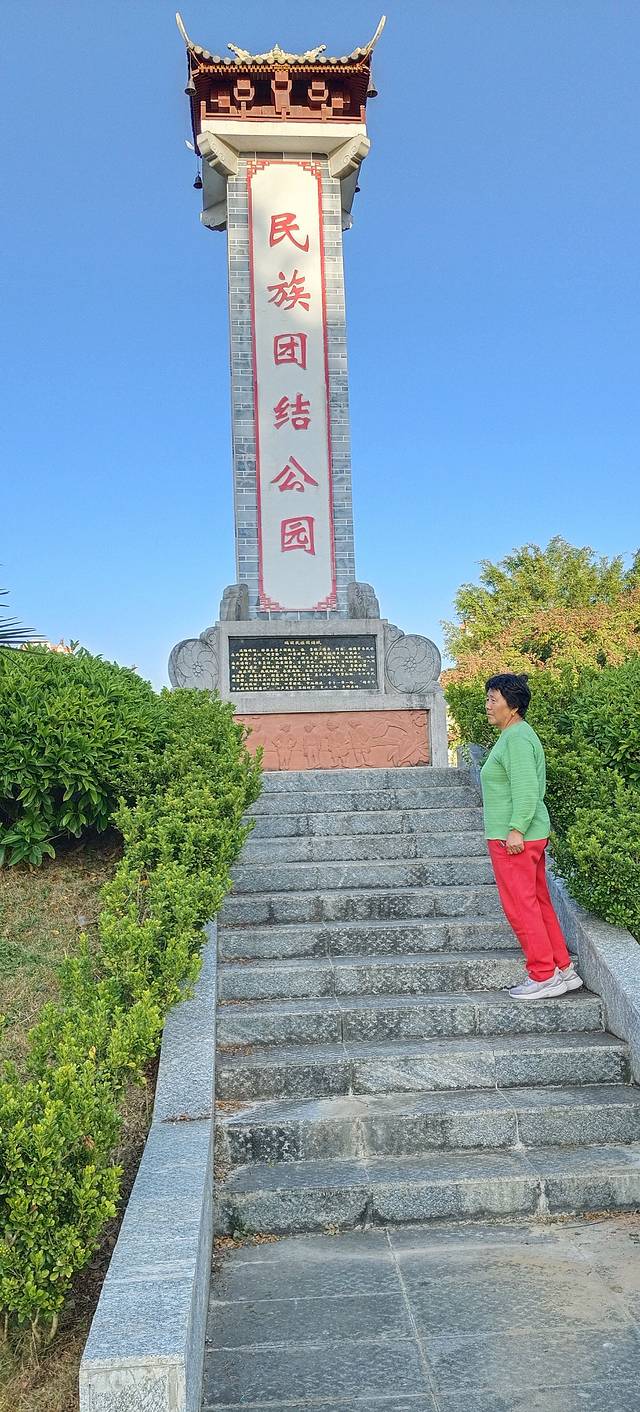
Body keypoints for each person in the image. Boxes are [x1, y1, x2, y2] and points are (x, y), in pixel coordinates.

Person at [480, 673, 583, 1000]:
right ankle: (562, 969)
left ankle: (543, 975)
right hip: (524, 835)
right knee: (536, 902)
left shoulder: (516, 738)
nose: (488, 705)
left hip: (514, 839)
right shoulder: (516, 735)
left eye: (493, 699)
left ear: (512, 706)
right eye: (488, 699)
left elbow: (526, 788)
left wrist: (516, 829)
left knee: (520, 907)